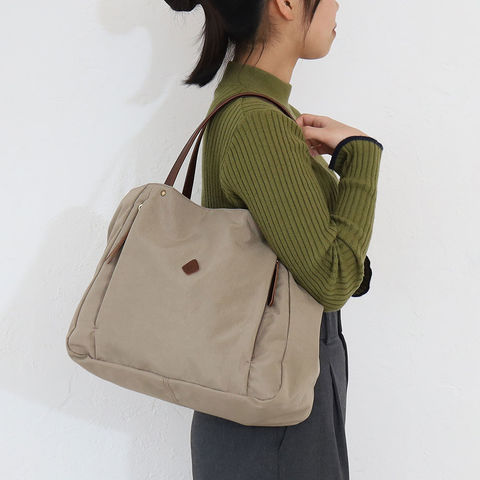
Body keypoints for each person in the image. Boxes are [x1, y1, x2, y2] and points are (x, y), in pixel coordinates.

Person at [164, 1, 384, 478]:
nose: (337, 4)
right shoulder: (257, 121)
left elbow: (329, 259)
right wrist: (362, 157)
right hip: (274, 413)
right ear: (285, 3)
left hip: (270, 397)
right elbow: (333, 278)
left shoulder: (264, 112)